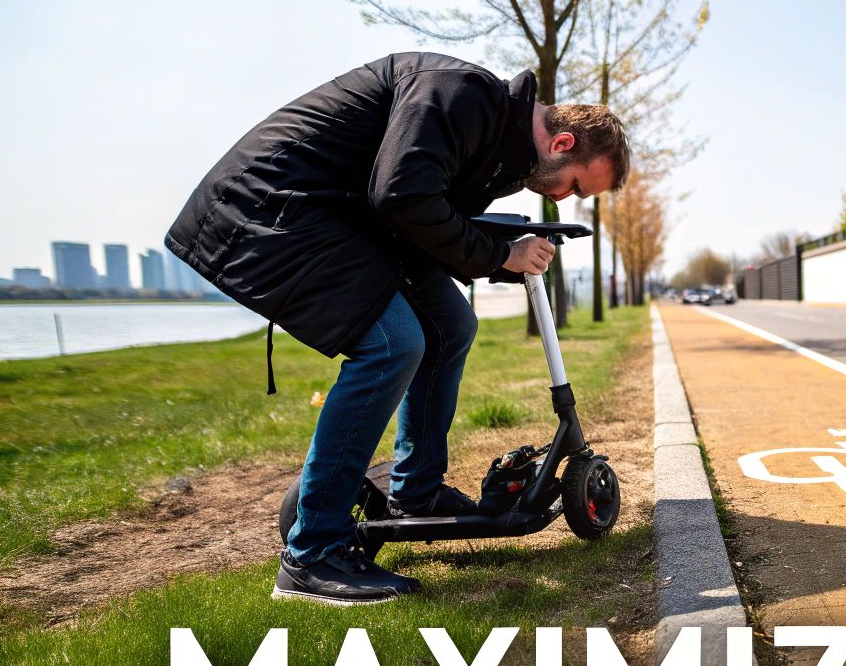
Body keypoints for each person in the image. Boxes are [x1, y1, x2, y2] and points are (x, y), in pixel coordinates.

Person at [166, 53, 630, 605]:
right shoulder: (460, 96)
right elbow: (401, 195)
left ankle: (417, 492)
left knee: (452, 325)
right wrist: (496, 253)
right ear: (562, 145)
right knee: (392, 345)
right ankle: (312, 554)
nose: (563, 199)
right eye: (576, 187)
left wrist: (497, 257)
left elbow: (430, 217)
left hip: (350, 221)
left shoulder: (497, 150)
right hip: (275, 209)